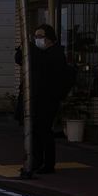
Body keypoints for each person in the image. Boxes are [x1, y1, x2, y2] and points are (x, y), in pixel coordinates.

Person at [16, 24, 73, 175]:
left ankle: (48, 164)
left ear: (50, 39)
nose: (37, 40)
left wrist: (30, 48)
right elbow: (20, 59)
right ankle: (35, 161)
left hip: (48, 99)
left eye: (40, 37)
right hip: (35, 97)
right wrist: (23, 48)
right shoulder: (39, 53)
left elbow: (44, 64)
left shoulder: (55, 54)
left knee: (44, 130)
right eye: (36, 37)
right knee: (34, 131)